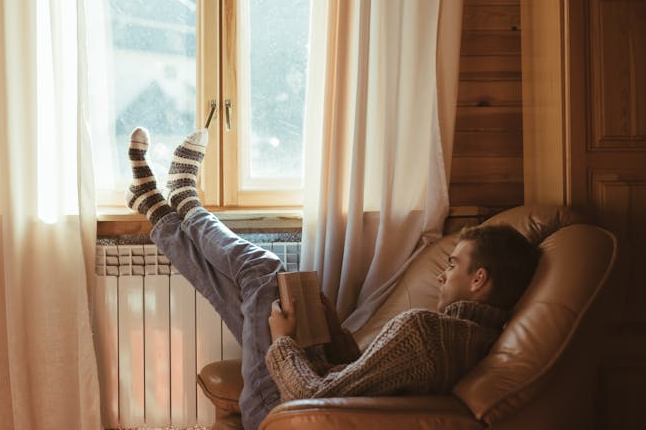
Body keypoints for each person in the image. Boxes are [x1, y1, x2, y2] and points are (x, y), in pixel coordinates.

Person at [124, 127, 541, 430]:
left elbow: (318, 397)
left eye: (454, 265)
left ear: (478, 279)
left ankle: (184, 200)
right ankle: (156, 208)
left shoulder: (428, 332)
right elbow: (369, 379)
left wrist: (286, 341)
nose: (444, 273)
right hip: (300, 401)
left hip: (285, 409)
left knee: (262, 269)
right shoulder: (471, 340)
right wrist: (333, 328)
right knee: (244, 295)